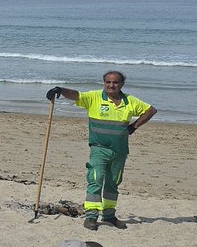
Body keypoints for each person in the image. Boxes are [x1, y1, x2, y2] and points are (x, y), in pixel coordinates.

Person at [47, 71, 157, 231]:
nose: (111, 85)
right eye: (108, 82)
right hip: (99, 149)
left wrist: (134, 126)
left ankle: (109, 215)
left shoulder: (129, 101)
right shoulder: (94, 98)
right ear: (104, 82)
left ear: (122, 84)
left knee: (113, 184)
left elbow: (151, 110)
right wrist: (60, 90)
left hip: (120, 151)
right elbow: (76, 95)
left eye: (115, 82)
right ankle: (91, 217)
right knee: (95, 180)